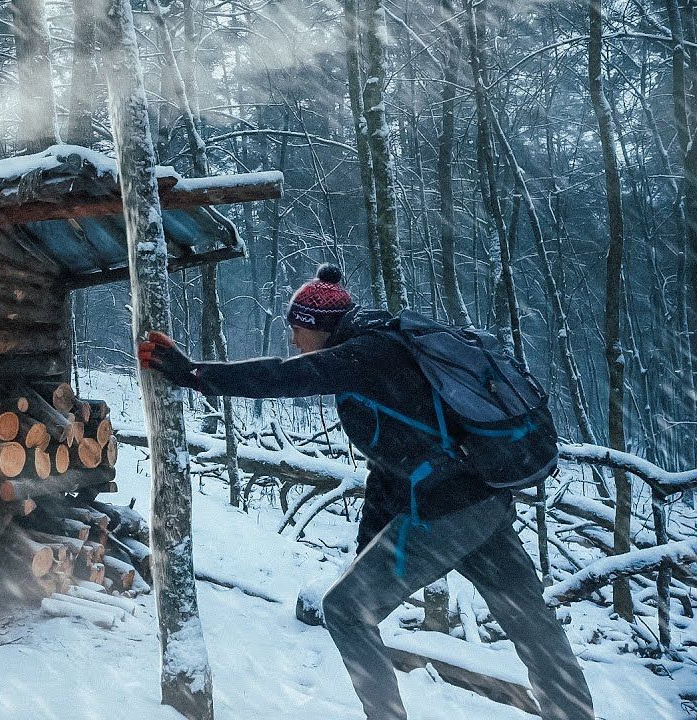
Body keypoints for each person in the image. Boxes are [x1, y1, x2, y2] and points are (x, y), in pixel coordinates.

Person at [137, 264, 594, 720]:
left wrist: (192, 373)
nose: (294, 340)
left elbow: (283, 376)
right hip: (483, 500)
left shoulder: (366, 353)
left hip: (445, 511)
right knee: (533, 626)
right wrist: (366, 551)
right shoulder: (385, 349)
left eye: (297, 329)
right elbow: (389, 467)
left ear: (320, 328)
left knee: (345, 610)